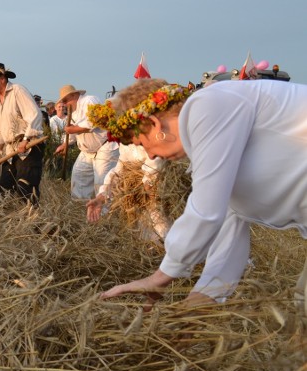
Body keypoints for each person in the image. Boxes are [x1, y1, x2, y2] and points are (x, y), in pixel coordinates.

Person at [93, 78, 306, 306]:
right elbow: (227, 235)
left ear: (155, 124)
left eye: (142, 144)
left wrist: (160, 277)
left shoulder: (209, 105)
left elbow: (206, 214)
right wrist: (195, 306)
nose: (151, 155)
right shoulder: (211, 148)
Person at [0, 62, 45, 204]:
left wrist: (26, 140)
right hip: (11, 150)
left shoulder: (18, 91)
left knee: (26, 189)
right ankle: (8, 223)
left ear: (2, 78)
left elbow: (35, 115)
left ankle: (33, 222)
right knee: (3, 191)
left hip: (29, 148)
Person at [54, 84, 118, 199]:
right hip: (87, 151)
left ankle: (104, 213)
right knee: (79, 176)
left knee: (102, 182)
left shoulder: (89, 100)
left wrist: (74, 129)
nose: (64, 104)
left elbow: (94, 122)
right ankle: (80, 209)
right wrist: (65, 144)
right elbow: (74, 133)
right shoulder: (72, 111)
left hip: (104, 147)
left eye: (65, 100)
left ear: (74, 95)